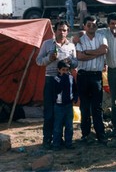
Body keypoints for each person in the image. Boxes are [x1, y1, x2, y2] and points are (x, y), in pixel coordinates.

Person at [36, 21, 78, 149]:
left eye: (64, 30)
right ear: (55, 31)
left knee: (64, 112)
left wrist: (71, 62)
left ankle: (65, 141)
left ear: (68, 31)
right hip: (51, 80)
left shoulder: (71, 46)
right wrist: (49, 58)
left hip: (65, 81)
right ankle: (48, 140)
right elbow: (38, 61)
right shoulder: (47, 44)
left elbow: (76, 63)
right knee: (49, 112)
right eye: (60, 30)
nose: (62, 32)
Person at [76, 15, 109, 143]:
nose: (91, 27)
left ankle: (100, 134)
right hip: (83, 76)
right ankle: (86, 134)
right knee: (84, 107)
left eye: (94, 24)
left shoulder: (101, 37)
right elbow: (79, 56)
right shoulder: (80, 40)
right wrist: (97, 52)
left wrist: (88, 52)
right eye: (89, 25)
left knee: (97, 107)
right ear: (84, 26)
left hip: (96, 76)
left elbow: (104, 50)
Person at [52, 60, 78, 150]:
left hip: (68, 105)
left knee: (69, 126)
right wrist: (62, 80)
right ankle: (56, 144)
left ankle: (69, 143)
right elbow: (57, 90)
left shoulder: (71, 78)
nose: (65, 72)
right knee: (57, 126)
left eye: (67, 70)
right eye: (63, 70)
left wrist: (75, 97)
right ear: (59, 70)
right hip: (59, 105)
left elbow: (74, 88)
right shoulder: (56, 79)